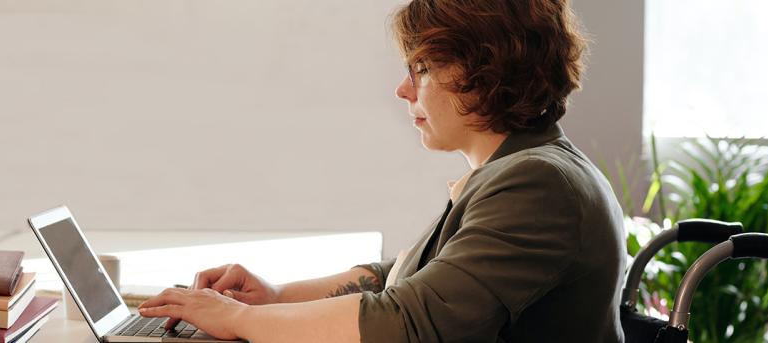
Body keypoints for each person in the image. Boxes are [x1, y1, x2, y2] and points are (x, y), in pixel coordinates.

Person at [138, 0, 627, 341]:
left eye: (422, 68)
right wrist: (272, 297)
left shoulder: (539, 186)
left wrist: (238, 321)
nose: (404, 89)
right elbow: (401, 278)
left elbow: (407, 324)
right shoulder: (521, 170)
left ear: (485, 72)